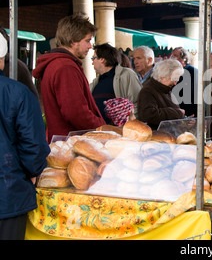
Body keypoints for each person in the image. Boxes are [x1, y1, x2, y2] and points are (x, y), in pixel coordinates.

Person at [0, 29, 50, 240]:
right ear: (2, 57)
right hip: (8, 194)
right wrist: (33, 171)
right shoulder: (18, 93)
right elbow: (34, 146)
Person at [32, 14, 105, 142]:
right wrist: (102, 128)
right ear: (72, 41)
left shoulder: (57, 64)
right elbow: (76, 113)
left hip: (63, 142)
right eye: (87, 41)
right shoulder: (65, 67)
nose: (90, 46)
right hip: (72, 144)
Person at [90, 43, 142, 125]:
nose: (92, 63)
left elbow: (138, 103)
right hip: (100, 132)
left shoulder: (126, 75)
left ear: (102, 59)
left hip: (120, 133)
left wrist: (127, 126)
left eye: (93, 58)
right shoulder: (96, 81)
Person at [137, 59, 185, 130]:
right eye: (174, 78)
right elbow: (148, 115)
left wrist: (185, 121)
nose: (175, 83)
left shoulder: (166, 89)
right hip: (156, 138)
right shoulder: (147, 91)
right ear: (163, 76)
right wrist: (177, 112)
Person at [171, 47, 198, 117]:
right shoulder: (174, 72)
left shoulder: (193, 71)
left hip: (190, 113)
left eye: (175, 56)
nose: (172, 58)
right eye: (172, 55)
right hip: (177, 112)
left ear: (184, 59)